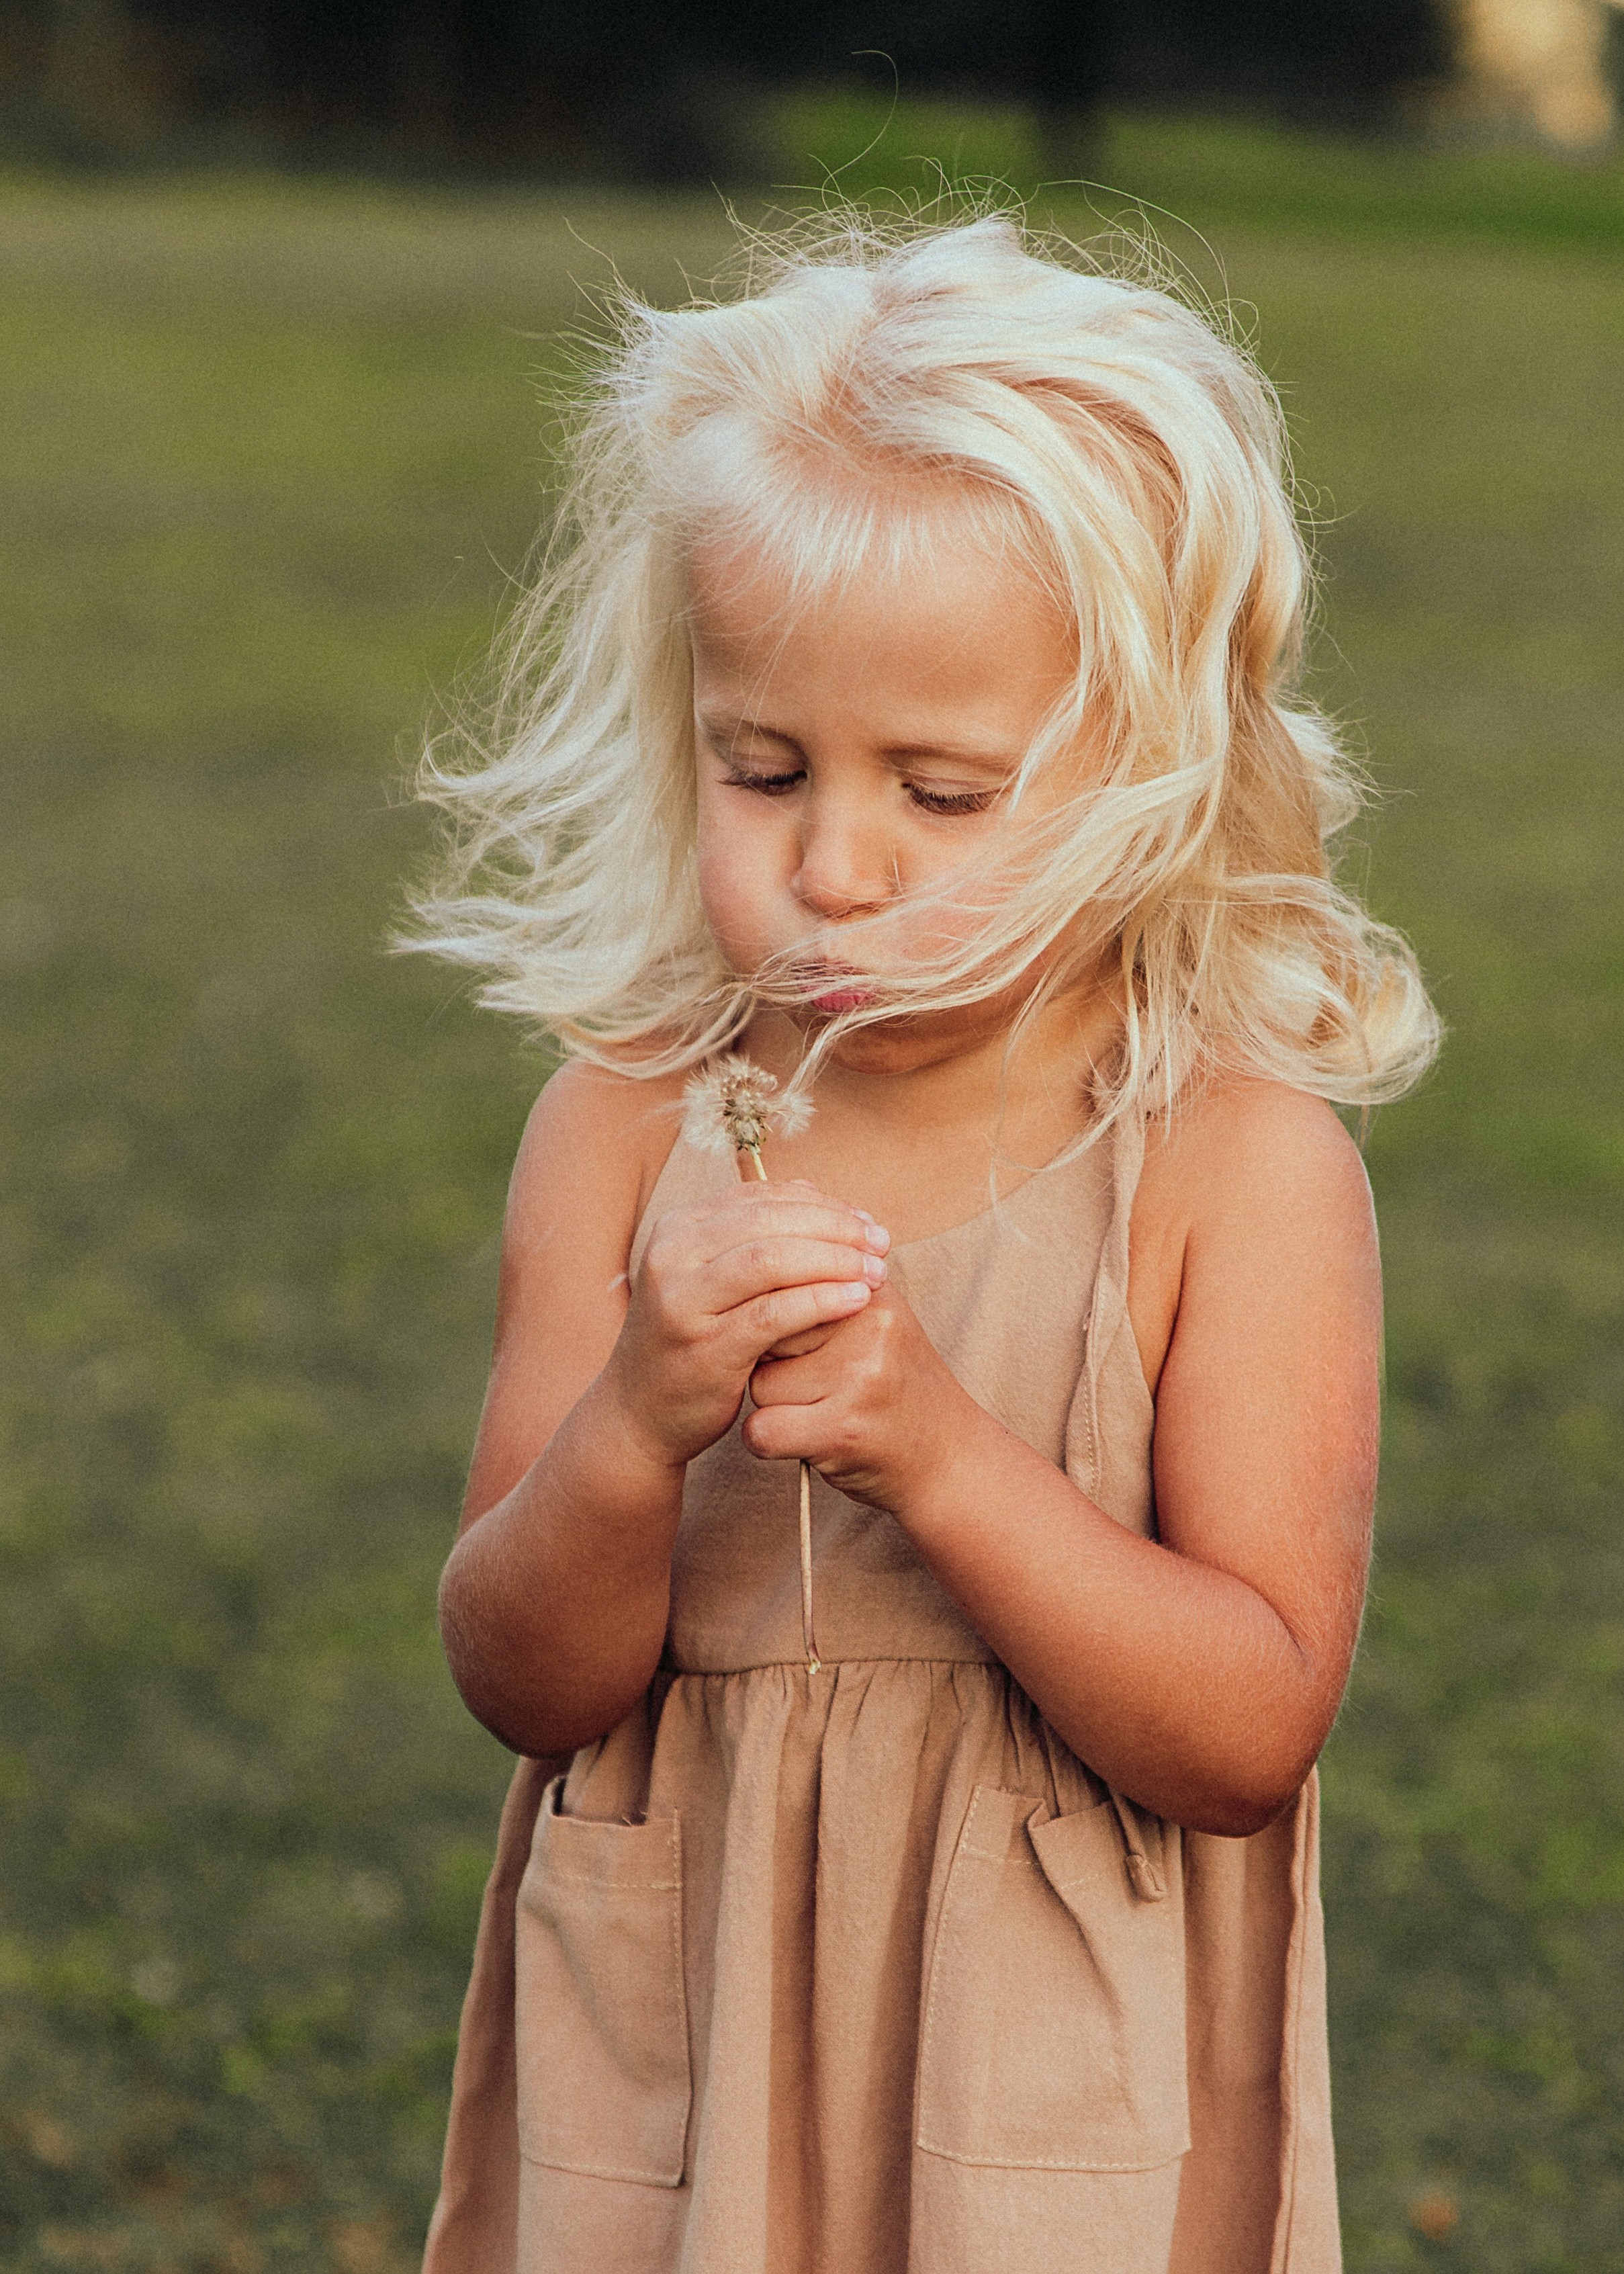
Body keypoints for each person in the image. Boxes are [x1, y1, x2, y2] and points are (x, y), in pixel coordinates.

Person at [409, 210, 1439, 2274]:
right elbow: (522, 1678)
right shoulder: (625, 1125)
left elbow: (1244, 1730)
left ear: (1150, 770)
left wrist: (938, 1450)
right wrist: (632, 1424)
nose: (835, 864)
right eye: (761, 765)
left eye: (946, 794)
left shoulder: (1233, 1170)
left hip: (1043, 2102)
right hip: (672, 2072)